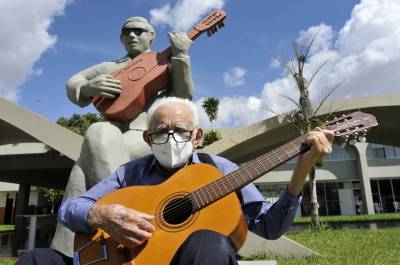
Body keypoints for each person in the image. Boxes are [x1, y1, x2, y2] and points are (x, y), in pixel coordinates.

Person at [54, 97, 334, 265]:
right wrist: (100, 213)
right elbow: (69, 209)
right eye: (161, 132)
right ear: (148, 139)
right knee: (37, 260)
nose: (171, 138)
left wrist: (301, 170)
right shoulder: (130, 173)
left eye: (180, 131)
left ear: (198, 136)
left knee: (208, 242)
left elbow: (269, 227)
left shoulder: (222, 170)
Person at [49, 16, 195, 259]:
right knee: (82, 169)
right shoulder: (110, 66)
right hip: (109, 136)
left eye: (139, 30)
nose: (132, 35)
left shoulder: (164, 63)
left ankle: (97, 241)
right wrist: (88, 89)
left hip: (146, 137)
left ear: (151, 36)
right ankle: (68, 255)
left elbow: (184, 95)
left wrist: (181, 56)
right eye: (126, 32)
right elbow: (74, 81)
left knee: (94, 139)